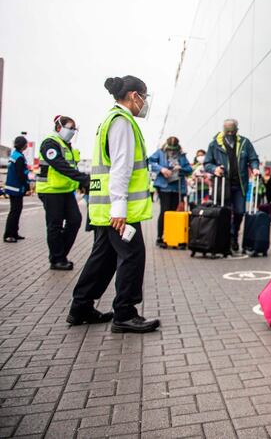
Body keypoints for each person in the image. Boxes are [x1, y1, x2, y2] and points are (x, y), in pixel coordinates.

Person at [68, 75, 160, 333]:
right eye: (145, 96)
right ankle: (125, 313)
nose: (146, 102)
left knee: (104, 257)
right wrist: (119, 208)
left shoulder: (109, 120)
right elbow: (121, 167)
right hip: (119, 209)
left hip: (105, 207)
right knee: (132, 256)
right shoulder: (122, 122)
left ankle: (81, 306)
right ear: (134, 96)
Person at [36, 115, 90, 269]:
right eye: (70, 128)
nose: (72, 131)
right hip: (51, 190)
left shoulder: (66, 145)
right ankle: (57, 259)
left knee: (75, 220)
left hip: (66, 190)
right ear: (59, 127)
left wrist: (81, 182)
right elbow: (59, 165)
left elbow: (72, 167)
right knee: (55, 225)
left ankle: (59, 254)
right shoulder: (50, 143)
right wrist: (83, 178)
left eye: (74, 129)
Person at [204, 119, 260, 252]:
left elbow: (253, 158)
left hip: (239, 185)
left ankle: (234, 236)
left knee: (240, 212)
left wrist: (255, 168)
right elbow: (207, 163)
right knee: (225, 213)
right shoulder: (214, 144)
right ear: (224, 130)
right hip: (223, 185)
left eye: (232, 131)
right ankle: (226, 240)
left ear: (236, 130)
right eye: (227, 131)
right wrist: (214, 169)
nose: (230, 133)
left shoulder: (245, 143)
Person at [148, 136, 192, 247]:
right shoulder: (160, 152)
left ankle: (173, 237)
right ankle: (160, 237)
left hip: (177, 187)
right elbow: (150, 162)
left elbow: (189, 169)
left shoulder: (182, 155)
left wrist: (180, 168)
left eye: (174, 149)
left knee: (175, 212)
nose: (172, 151)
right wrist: (161, 169)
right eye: (170, 149)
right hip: (164, 187)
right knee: (165, 211)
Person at [3, 136, 30, 243]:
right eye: (26, 144)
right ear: (23, 145)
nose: (27, 146)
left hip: (12, 187)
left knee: (16, 211)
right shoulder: (19, 157)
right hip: (16, 188)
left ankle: (14, 233)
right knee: (15, 212)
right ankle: (8, 235)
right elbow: (20, 174)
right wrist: (26, 186)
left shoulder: (14, 155)